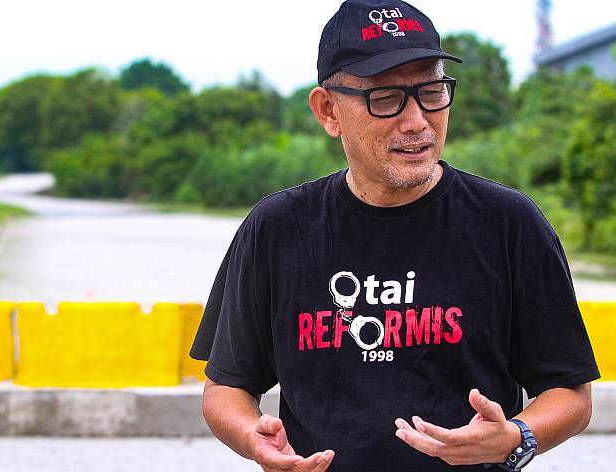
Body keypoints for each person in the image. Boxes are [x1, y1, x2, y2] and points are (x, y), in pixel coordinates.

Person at [190, 1, 600, 470]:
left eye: (432, 92)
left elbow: (570, 392)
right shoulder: (278, 228)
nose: (417, 121)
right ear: (328, 110)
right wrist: (252, 437)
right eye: (386, 99)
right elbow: (226, 387)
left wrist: (516, 436)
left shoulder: (509, 223)